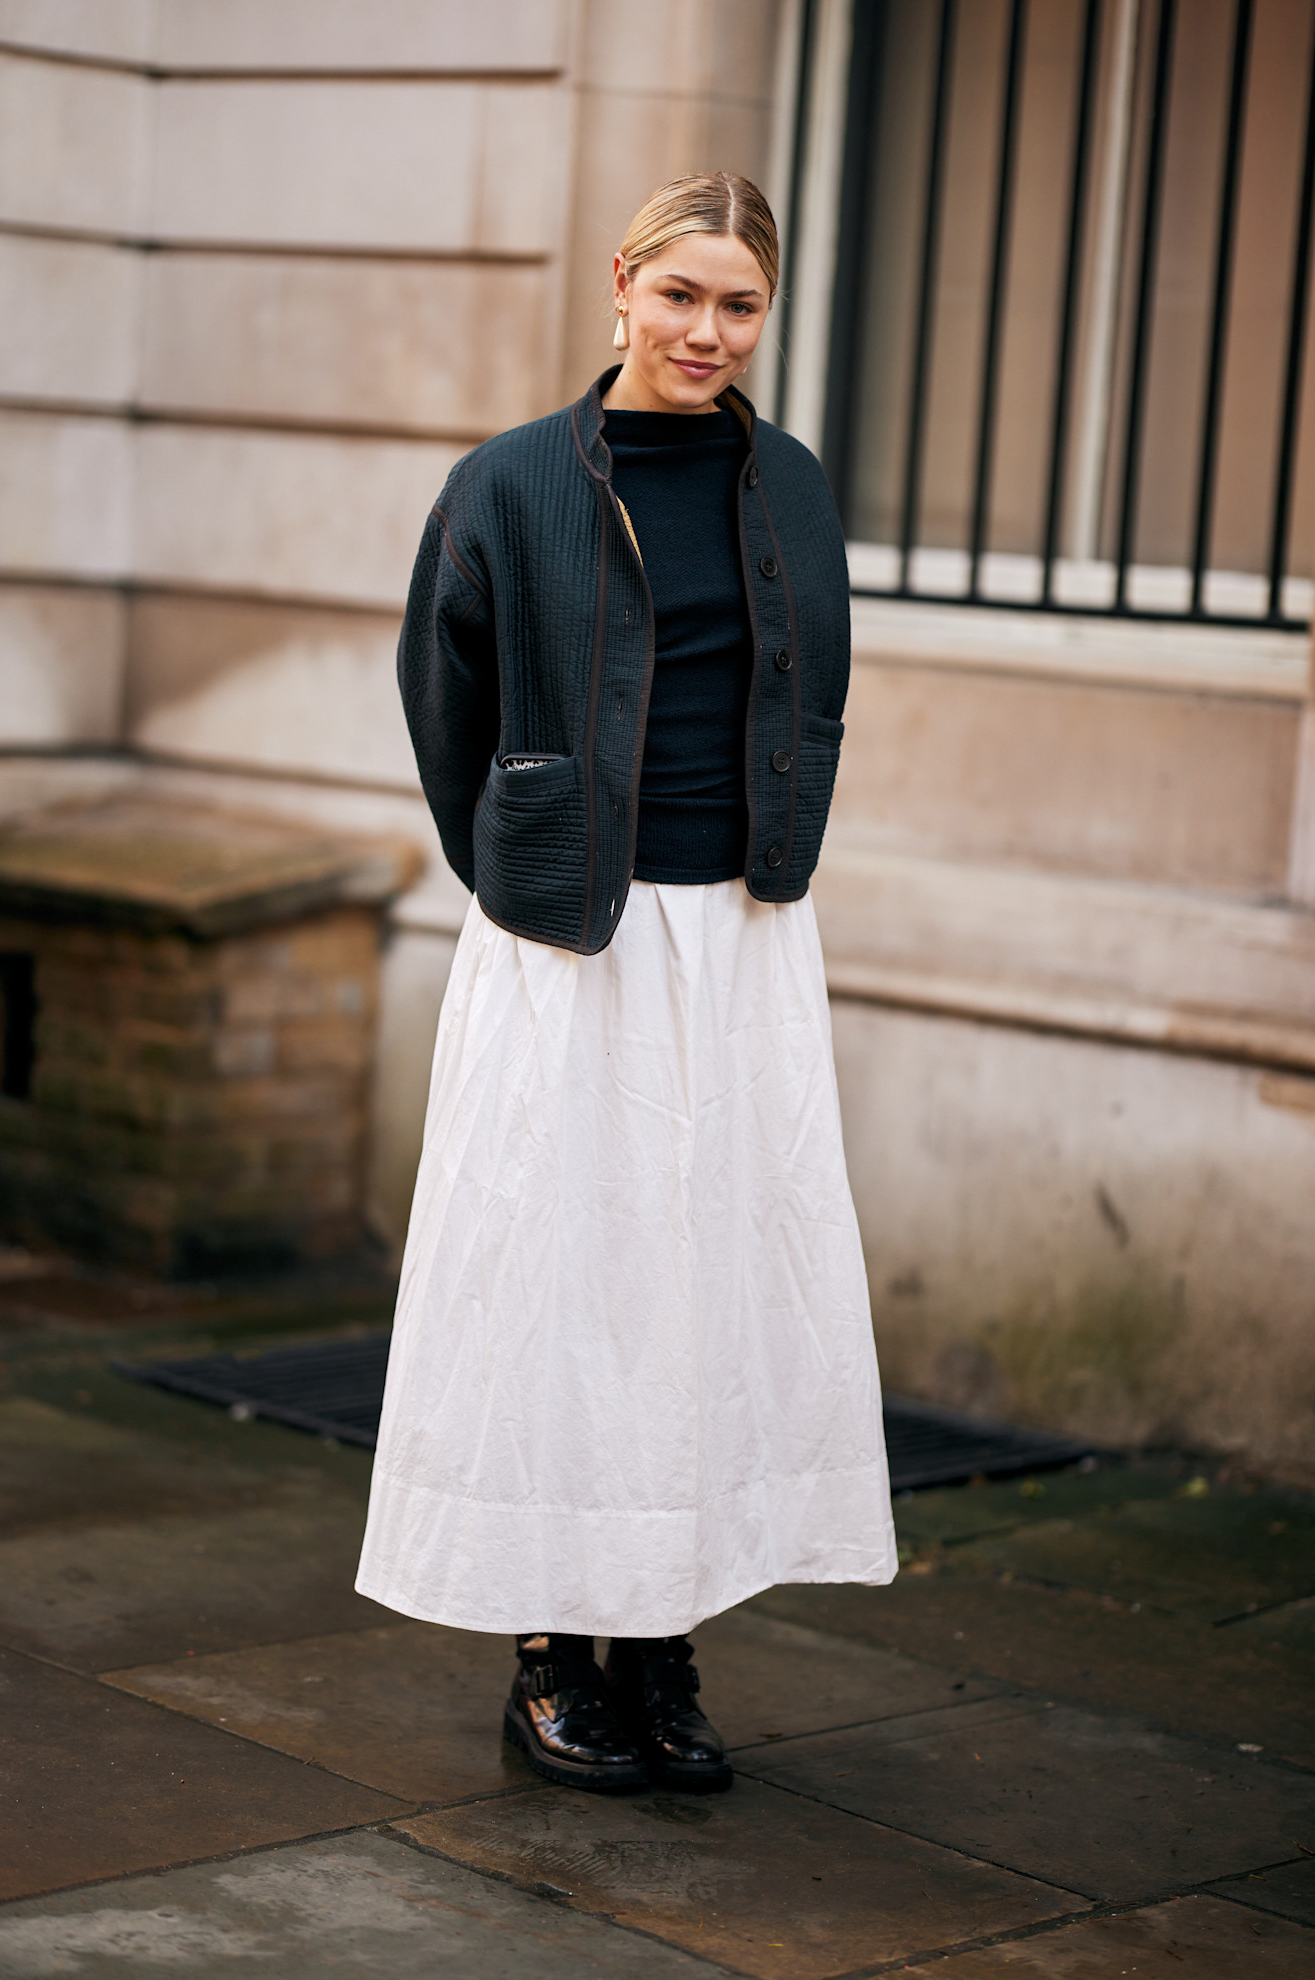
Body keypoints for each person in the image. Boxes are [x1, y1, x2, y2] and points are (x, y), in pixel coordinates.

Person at [356, 172, 896, 1795]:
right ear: (623, 286)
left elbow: (813, 695)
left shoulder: (788, 485)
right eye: (682, 297)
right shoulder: (510, 482)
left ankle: (657, 1643)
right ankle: (547, 1657)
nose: (706, 333)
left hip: (737, 934)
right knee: (551, 1280)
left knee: (708, 1279)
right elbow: (439, 696)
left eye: (739, 305)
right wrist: (521, 861)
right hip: (566, 939)